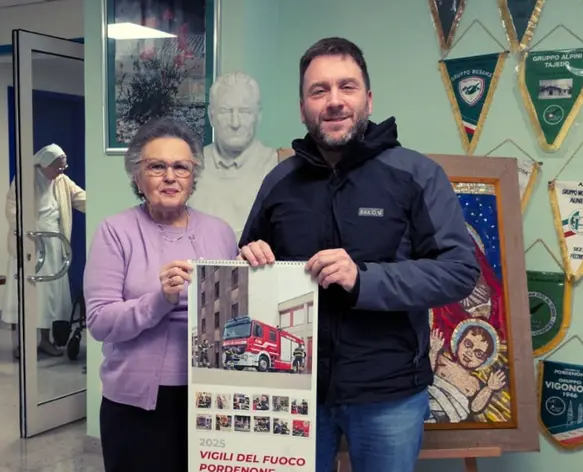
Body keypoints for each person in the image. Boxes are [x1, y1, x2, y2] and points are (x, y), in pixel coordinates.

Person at [237, 37, 480, 472]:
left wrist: (363, 280)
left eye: (346, 87)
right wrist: (248, 258)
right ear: (302, 107)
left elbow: (459, 271)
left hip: (389, 396)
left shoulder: (416, 174)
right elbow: (247, 263)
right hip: (295, 393)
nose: (333, 102)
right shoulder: (280, 180)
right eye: (319, 91)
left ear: (367, 99)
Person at [83, 118, 237, 472]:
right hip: (135, 405)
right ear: (137, 177)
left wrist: (258, 264)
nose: (170, 177)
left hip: (209, 399)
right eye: (157, 166)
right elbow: (99, 322)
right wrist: (159, 300)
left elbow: (234, 312)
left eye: (181, 167)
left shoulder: (221, 232)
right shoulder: (115, 231)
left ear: (193, 176)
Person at [2, 143, 86, 358]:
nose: (61, 171)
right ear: (45, 164)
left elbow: (81, 199)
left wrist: (106, 204)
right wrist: (27, 232)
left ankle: (45, 340)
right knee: (29, 295)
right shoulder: (25, 178)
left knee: (49, 298)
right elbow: (12, 208)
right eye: (58, 167)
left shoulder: (61, 181)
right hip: (31, 245)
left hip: (54, 244)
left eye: (63, 168)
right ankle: (25, 344)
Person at [186, 72, 279, 240]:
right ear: (211, 116)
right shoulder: (189, 166)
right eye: (225, 111)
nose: (235, 123)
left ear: (258, 116)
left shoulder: (277, 167)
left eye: (244, 112)